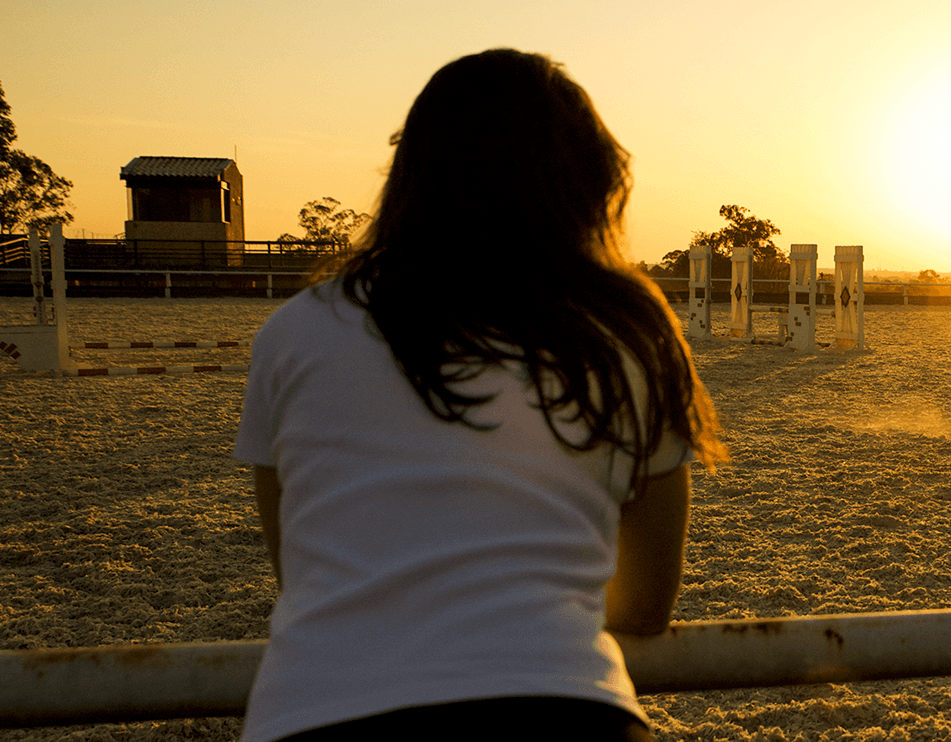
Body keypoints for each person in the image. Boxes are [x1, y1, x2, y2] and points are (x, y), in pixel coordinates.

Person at [234, 49, 724, 742]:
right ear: (587, 182)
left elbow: (306, 573)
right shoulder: (626, 335)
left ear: (411, 174)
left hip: (318, 711)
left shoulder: (295, 332)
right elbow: (646, 604)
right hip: (565, 707)